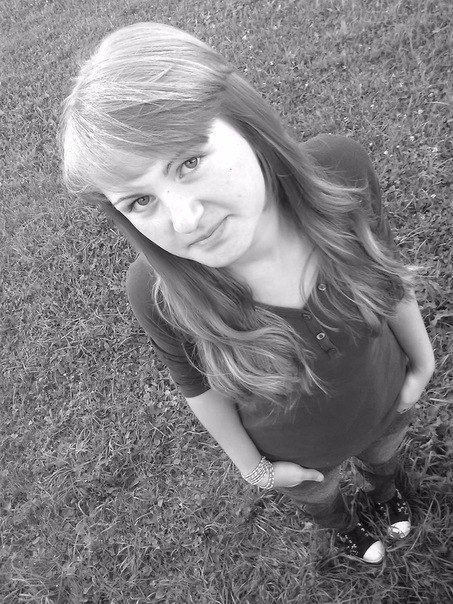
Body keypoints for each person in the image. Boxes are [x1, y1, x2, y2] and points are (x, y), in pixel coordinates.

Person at [59, 22, 435, 564]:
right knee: (320, 496)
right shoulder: (156, 292)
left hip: (387, 400)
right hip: (300, 457)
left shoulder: (341, 171)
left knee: (384, 457)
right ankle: (340, 525)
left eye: (189, 162)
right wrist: (253, 468)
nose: (185, 220)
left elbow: (385, 269)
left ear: (248, 125)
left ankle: (386, 491)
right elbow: (196, 387)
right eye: (140, 201)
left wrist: (422, 362)